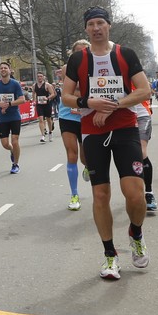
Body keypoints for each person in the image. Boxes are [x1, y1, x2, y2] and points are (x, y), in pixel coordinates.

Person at [62, 7, 153, 281]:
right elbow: (66, 96)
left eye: (100, 22)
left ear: (108, 25)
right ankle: (110, 254)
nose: (96, 28)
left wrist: (113, 105)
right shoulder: (78, 59)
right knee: (101, 195)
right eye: (91, 24)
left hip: (125, 128)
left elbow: (144, 90)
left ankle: (136, 233)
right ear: (86, 29)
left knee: (135, 194)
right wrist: (88, 102)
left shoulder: (125, 54)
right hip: (93, 131)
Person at [56, 45, 89, 212]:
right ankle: (74, 195)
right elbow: (70, 93)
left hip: (85, 116)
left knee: (85, 157)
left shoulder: (94, 69)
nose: (81, 53)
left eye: (85, 50)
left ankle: (88, 167)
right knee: (71, 155)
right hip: (67, 115)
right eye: (78, 51)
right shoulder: (66, 68)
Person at [0, 62, 27, 174]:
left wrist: (9, 104)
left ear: (9, 70)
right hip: (3, 118)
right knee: (5, 144)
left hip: (14, 116)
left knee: (15, 141)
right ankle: (12, 151)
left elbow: (22, 99)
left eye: (5, 68)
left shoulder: (15, 84)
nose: (3, 69)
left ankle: (15, 164)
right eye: (1, 68)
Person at [32, 72, 56, 142]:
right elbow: (34, 93)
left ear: (43, 77)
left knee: (48, 119)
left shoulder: (47, 85)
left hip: (47, 104)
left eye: (41, 76)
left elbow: (53, 94)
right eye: (38, 76)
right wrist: (34, 101)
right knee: (41, 119)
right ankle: (43, 135)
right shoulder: (34, 85)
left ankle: (50, 133)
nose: (39, 78)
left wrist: (47, 98)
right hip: (39, 104)